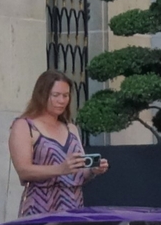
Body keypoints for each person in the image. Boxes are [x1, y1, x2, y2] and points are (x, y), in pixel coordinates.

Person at [9, 70, 107, 216]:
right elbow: (23, 171)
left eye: (65, 95)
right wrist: (60, 169)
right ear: (42, 95)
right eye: (55, 95)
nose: (61, 101)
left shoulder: (71, 128)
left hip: (73, 205)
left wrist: (93, 170)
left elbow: (77, 173)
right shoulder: (25, 126)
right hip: (40, 206)